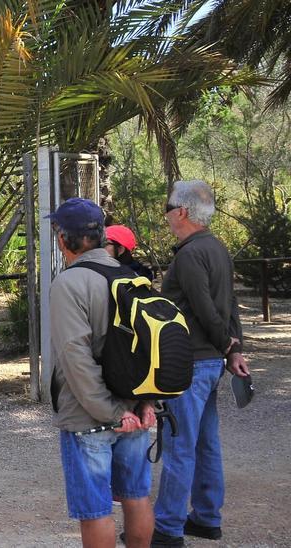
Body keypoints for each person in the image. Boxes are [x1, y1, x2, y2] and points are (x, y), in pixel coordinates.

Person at [45, 198, 156, 548]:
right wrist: (145, 403)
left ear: (63, 239)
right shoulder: (131, 276)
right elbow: (151, 344)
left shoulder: (69, 283)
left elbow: (75, 358)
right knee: (136, 496)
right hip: (135, 408)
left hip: (90, 416)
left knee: (95, 510)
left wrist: (110, 412)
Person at [153, 180, 248, 546]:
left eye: (168, 210)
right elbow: (230, 304)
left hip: (190, 362)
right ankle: (207, 517)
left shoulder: (190, 254)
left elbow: (207, 308)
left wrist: (227, 345)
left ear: (183, 211)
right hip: (209, 364)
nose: (166, 218)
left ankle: (167, 528)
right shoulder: (217, 249)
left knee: (180, 445)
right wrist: (233, 350)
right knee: (206, 443)